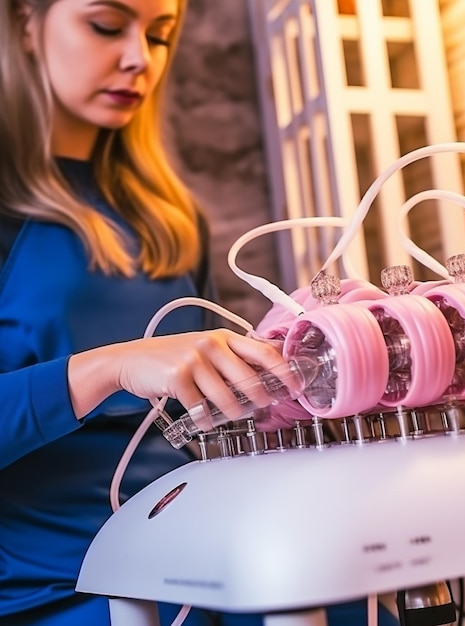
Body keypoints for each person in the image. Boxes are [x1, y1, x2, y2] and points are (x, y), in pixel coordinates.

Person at [0, 1, 401, 625]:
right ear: (26, 21)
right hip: (62, 587)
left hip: (205, 554)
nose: (140, 59)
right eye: (106, 26)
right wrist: (112, 368)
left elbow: (214, 418)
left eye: (160, 35)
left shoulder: (167, 216)